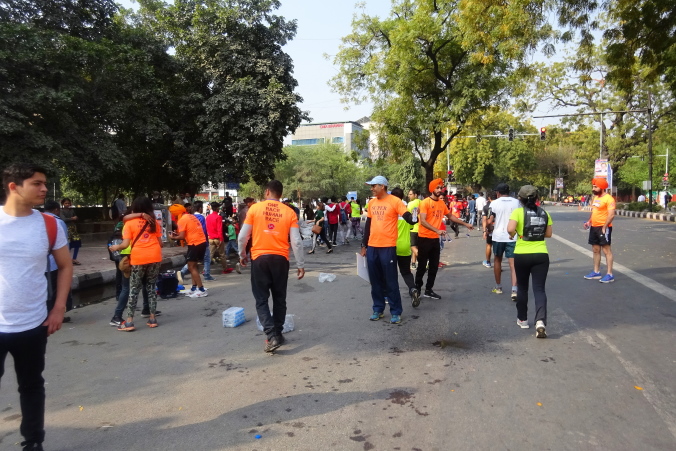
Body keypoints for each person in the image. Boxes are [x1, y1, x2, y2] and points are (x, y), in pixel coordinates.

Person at [1, 163, 72, 451]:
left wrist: (58, 308)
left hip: (34, 323)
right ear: (14, 187)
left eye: (44, 183)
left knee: (31, 385)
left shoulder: (49, 224)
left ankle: (33, 441)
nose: (44, 189)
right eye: (37, 183)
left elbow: (65, 266)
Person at [238, 180, 305, 352]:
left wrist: (242, 255)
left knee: (261, 299)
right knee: (279, 298)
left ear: (267, 191)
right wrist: (300, 264)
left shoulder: (255, 209)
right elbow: (296, 241)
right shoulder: (289, 212)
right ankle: (278, 333)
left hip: (259, 258)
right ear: (281, 194)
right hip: (281, 259)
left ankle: (271, 336)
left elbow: (243, 237)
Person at [360, 176, 415, 324]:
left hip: (388, 247)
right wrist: (364, 245)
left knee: (391, 281)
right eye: (371, 186)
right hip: (372, 247)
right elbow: (368, 226)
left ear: (382, 186)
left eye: (373, 186)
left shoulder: (395, 201)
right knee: (375, 281)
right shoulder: (372, 203)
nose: (371, 189)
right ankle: (378, 309)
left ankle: (396, 312)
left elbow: (408, 216)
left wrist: (414, 217)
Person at [109, 197, 163, 330]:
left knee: (133, 289)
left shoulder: (130, 223)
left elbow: (125, 244)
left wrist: (116, 247)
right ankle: (152, 319)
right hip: (155, 256)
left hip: (139, 258)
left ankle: (129, 322)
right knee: (151, 288)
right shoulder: (154, 222)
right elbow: (160, 243)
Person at [416, 179, 473, 300]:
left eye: (440, 188)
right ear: (431, 189)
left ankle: (428, 290)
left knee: (434, 267)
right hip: (424, 238)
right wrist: (436, 230)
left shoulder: (441, 203)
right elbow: (423, 221)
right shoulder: (425, 202)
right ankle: (417, 289)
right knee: (422, 266)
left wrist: (465, 224)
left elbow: (450, 216)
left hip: (435, 239)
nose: (439, 190)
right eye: (437, 188)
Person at [507, 185, 553, 338]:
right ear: (537, 198)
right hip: (541, 254)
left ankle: (523, 319)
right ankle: (540, 322)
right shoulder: (544, 213)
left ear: (520, 199)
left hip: (522, 255)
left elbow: (510, 229)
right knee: (539, 289)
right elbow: (549, 234)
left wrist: (515, 233)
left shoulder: (518, 212)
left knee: (522, 288)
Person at [43, 201, 73, 323]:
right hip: (55, 263)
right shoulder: (58, 222)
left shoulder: (39, 220)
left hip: (41, 264)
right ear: (56, 210)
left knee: (45, 290)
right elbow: (64, 244)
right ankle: (55, 313)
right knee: (55, 290)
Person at [489, 183, 520, 298]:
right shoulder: (517, 202)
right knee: (513, 264)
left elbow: (489, 220)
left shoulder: (494, 203)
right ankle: (514, 290)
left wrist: (488, 229)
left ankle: (498, 287)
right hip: (513, 236)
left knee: (497, 260)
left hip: (498, 236)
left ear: (498, 193)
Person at [170, 204, 208, 296]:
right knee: (194, 266)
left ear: (176, 213)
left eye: (173, 214)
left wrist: (172, 237)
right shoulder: (191, 216)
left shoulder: (182, 220)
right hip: (201, 242)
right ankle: (194, 288)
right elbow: (188, 231)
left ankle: (201, 289)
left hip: (194, 243)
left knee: (191, 267)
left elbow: (182, 236)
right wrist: (177, 235)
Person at [391, 188, 420, 307]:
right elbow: (413, 223)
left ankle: (389, 296)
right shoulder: (406, 212)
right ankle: (413, 288)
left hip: (391, 247)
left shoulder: (390, 212)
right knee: (406, 272)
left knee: (390, 273)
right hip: (405, 247)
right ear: (402, 197)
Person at [583, 178, 616, 283]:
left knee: (606, 250)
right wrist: (589, 222)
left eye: (595, 187)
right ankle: (596, 272)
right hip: (594, 227)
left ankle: (609, 274)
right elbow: (594, 212)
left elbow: (611, 215)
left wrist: (605, 227)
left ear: (602, 188)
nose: (593, 189)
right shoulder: (595, 198)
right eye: (593, 186)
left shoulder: (609, 199)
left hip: (603, 227)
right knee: (595, 249)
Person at [206, 201, 229, 274]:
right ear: (216, 208)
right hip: (217, 238)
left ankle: (205, 270)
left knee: (210, 254)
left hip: (210, 238)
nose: (219, 209)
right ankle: (225, 269)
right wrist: (221, 239)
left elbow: (207, 228)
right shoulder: (218, 217)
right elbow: (219, 229)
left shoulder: (208, 217)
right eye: (219, 208)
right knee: (222, 254)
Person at [60, 198, 81, 265]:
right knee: (68, 244)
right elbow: (64, 219)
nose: (67, 204)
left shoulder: (72, 210)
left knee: (77, 242)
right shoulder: (61, 211)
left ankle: (74, 258)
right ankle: (67, 260)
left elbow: (76, 217)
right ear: (63, 204)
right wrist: (72, 218)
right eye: (66, 203)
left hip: (73, 229)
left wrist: (75, 218)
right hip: (66, 228)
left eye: (68, 203)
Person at [407, 189, 421, 269]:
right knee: (416, 247)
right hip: (421, 228)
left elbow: (407, 216)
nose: (409, 196)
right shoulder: (422, 203)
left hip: (412, 228)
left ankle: (424, 260)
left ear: (415, 195)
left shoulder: (410, 204)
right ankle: (413, 263)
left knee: (412, 246)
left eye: (410, 194)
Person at [481, 194, 494, 268]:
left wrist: (484, 231)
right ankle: (498, 264)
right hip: (500, 229)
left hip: (490, 229)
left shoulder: (486, 207)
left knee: (489, 245)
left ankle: (488, 262)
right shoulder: (501, 205)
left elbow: (484, 219)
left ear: (489, 198)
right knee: (498, 247)